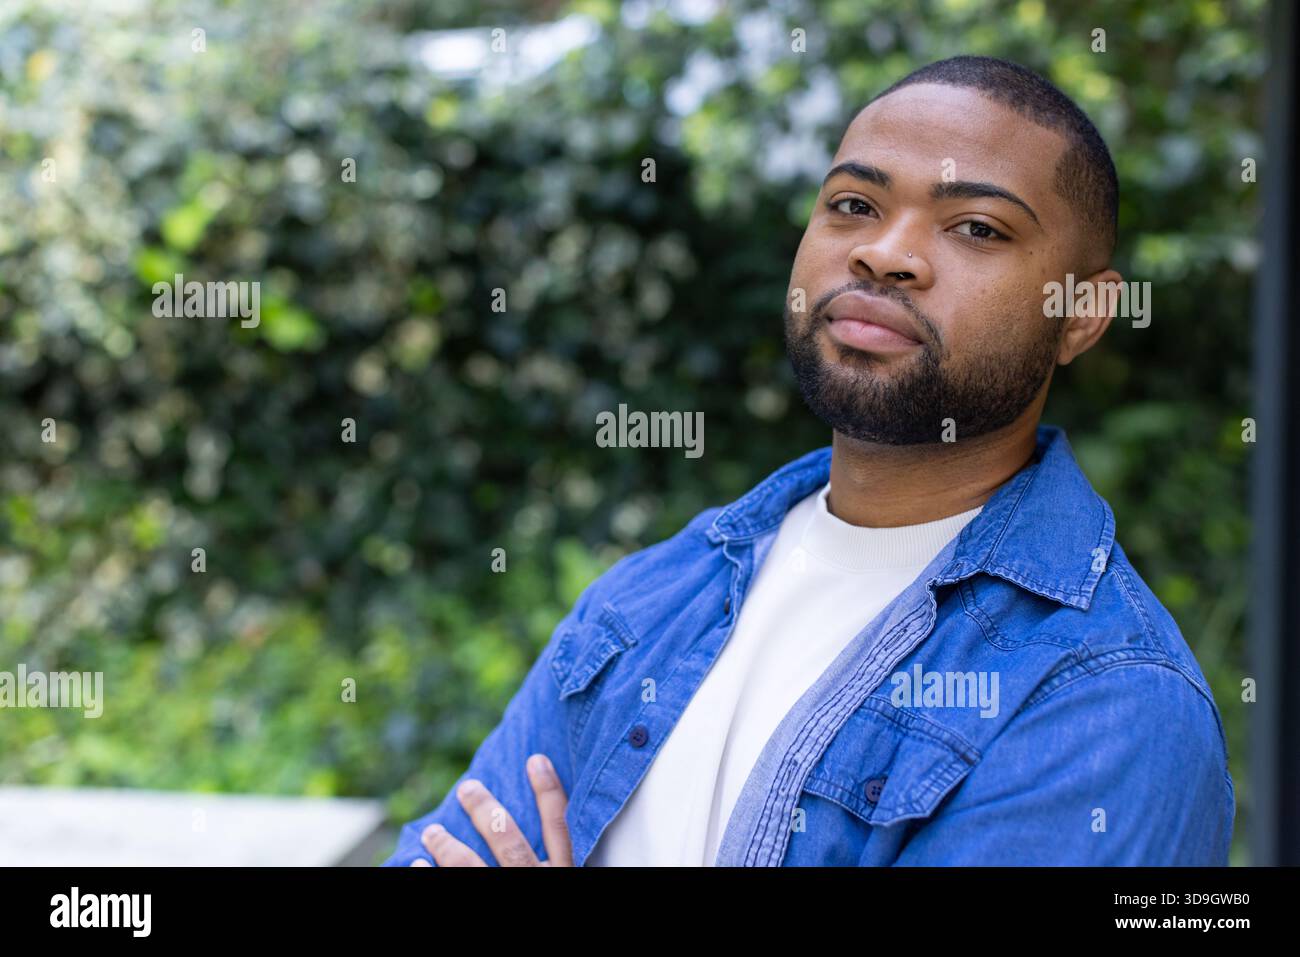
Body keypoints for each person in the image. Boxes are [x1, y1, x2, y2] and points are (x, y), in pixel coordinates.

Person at [384, 55, 1234, 867]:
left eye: (977, 226)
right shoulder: (656, 597)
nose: (885, 253)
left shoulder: (1108, 701)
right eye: (854, 205)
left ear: (1083, 311)